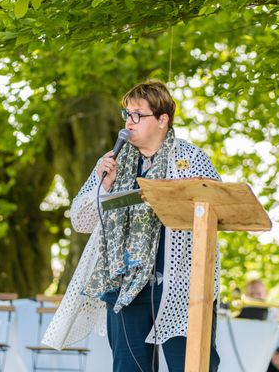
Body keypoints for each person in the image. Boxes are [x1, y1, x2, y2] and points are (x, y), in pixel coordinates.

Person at [44, 79, 221, 371]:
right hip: (125, 286)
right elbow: (81, 220)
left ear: (163, 119)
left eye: (138, 114)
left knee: (191, 366)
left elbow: (217, 209)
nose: (129, 121)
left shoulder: (190, 158)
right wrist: (104, 187)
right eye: (127, 113)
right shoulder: (113, 161)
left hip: (182, 287)